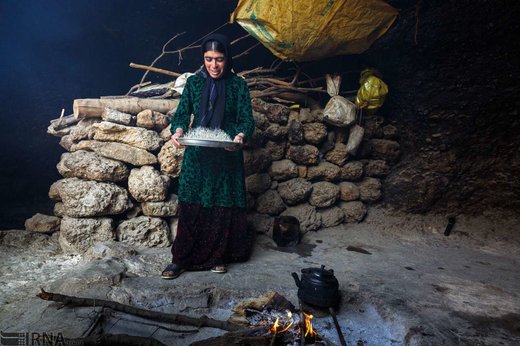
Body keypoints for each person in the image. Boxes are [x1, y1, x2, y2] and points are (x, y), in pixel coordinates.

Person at [161, 33, 255, 279]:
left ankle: (218, 256)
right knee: (191, 205)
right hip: (198, 155)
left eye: (219, 59)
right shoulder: (193, 83)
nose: (214, 65)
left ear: (228, 59)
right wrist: (178, 130)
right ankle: (180, 259)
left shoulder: (238, 85)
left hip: (227, 155)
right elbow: (182, 115)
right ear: (203, 59)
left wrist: (241, 136)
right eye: (208, 59)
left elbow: (246, 119)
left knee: (221, 206)